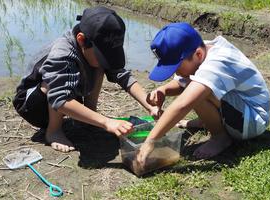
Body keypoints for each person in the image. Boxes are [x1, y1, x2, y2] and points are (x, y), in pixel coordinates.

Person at [13, 6, 160, 153]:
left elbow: (122, 75)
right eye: (100, 54)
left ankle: (89, 115)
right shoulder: (61, 53)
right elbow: (59, 98)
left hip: (66, 96)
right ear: (81, 39)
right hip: (33, 105)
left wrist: (150, 106)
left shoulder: (93, 49)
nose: (104, 59)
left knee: (100, 65)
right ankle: (54, 131)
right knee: (54, 81)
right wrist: (107, 122)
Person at [136, 22, 270, 165]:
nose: (175, 73)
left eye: (177, 67)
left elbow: (183, 104)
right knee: (193, 86)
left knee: (194, 92)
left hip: (253, 120)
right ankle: (208, 121)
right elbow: (182, 82)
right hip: (240, 110)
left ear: (198, 54)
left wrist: (151, 140)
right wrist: (163, 91)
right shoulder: (200, 49)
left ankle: (220, 137)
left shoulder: (217, 62)